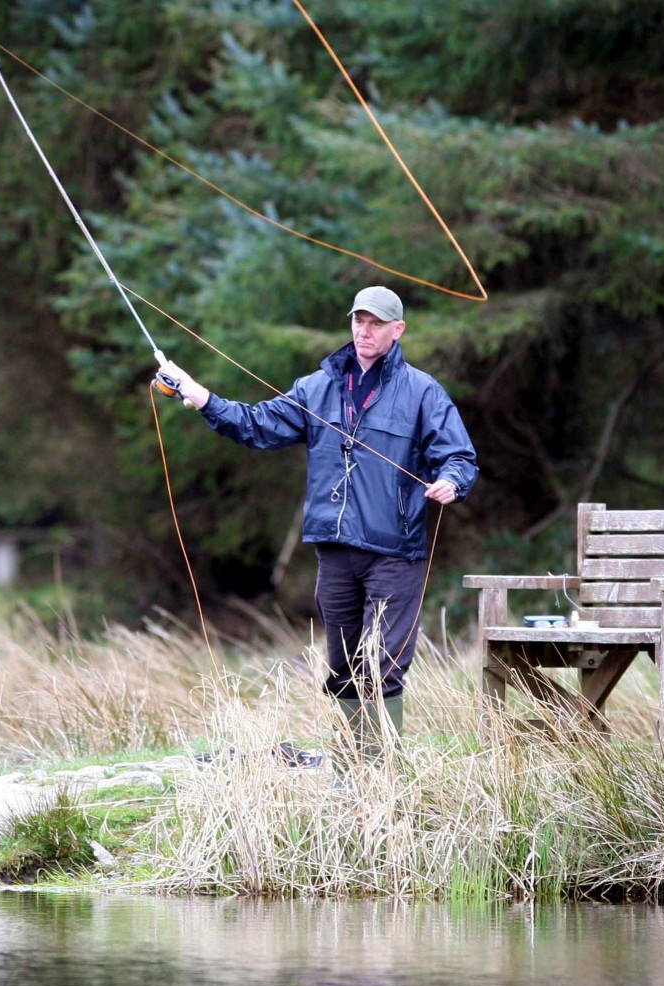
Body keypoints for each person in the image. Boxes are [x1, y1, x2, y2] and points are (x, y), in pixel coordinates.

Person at [156, 285, 478, 762]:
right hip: (335, 551)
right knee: (343, 666)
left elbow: (459, 457)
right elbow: (257, 425)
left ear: (397, 329)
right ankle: (351, 771)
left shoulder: (422, 391)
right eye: (358, 322)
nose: (364, 331)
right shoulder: (318, 386)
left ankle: (379, 773)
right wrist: (203, 398)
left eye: (375, 323)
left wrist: (451, 481)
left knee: (381, 665)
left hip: (396, 552)